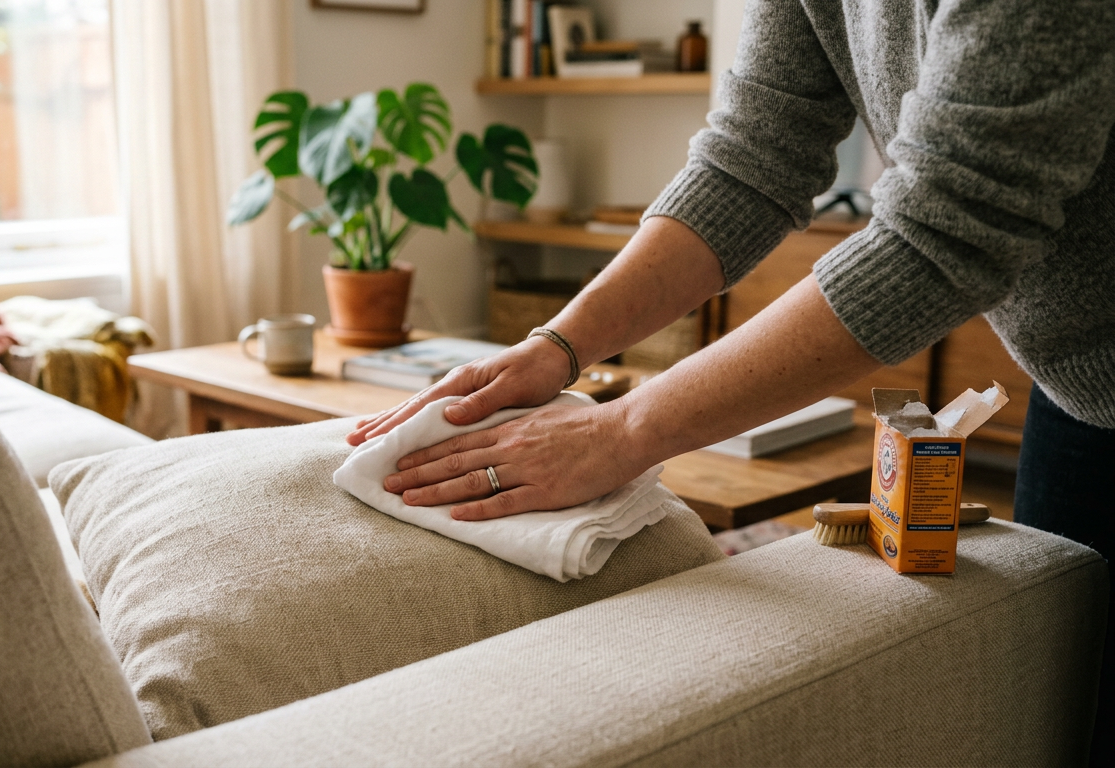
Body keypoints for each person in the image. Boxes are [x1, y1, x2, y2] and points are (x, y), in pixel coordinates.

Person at [347, 0, 1114, 759]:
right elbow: (752, 155)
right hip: (1076, 384)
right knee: (1059, 705)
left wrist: (624, 430)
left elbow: (947, 225)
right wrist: (559, 346)